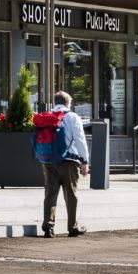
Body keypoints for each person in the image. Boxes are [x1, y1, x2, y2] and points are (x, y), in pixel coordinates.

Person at [33, 90, 89, 238]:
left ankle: (48, 227)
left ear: (55, 102)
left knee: (50, 194)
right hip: (69, 161)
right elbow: (80, 139)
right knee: (71, 195)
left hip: (48, 160)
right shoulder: (72, 117)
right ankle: (73, 227)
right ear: (67, 102)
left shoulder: (47, 117)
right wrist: (85, 161)